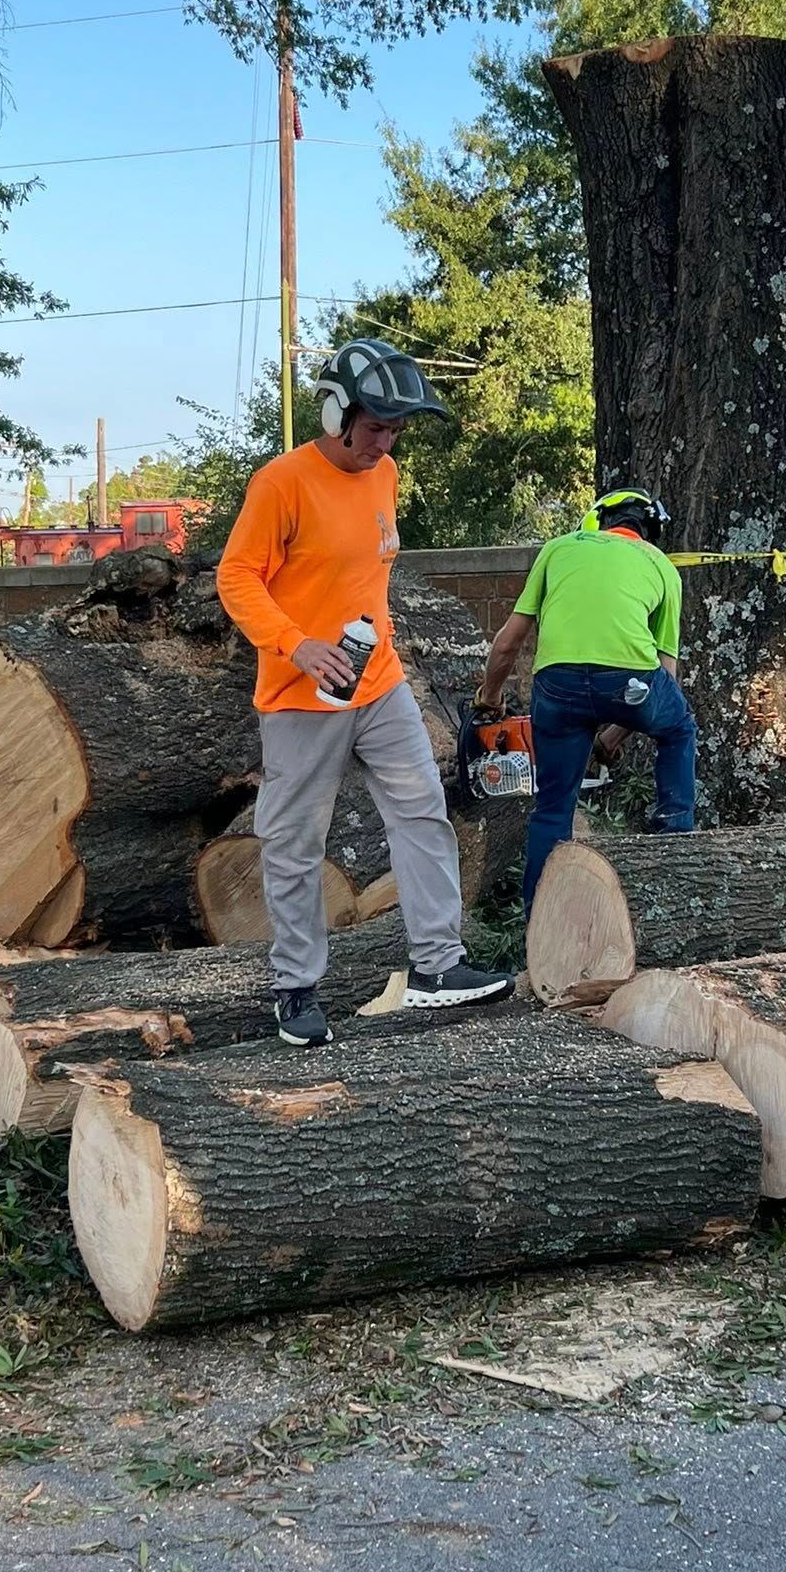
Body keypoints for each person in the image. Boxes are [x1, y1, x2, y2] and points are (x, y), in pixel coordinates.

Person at [217, 338, 512, 1046]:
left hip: (378, 684)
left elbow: (369, 577)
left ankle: (438, 967)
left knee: (422, 813)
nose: (385, 442)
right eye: (376, 426)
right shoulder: (281, 483)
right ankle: (295, 990)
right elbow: (235, 578)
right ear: (335, 414)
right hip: (298, 696)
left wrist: (375, 644)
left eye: (396, 430)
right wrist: (297, 643)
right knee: (293, 842)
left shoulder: (386, 476)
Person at [475, 488, 697, 914]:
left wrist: (489, 699)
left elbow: (507, 645)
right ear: (649, 533)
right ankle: (674, 835)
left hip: (558, 686)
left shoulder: (558, 549)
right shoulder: (662, 567)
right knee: (679, 728)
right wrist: (615, 734)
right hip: (631, 682)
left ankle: (538, 919)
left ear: (596, 519)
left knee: (552, 809)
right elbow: (664, 677)